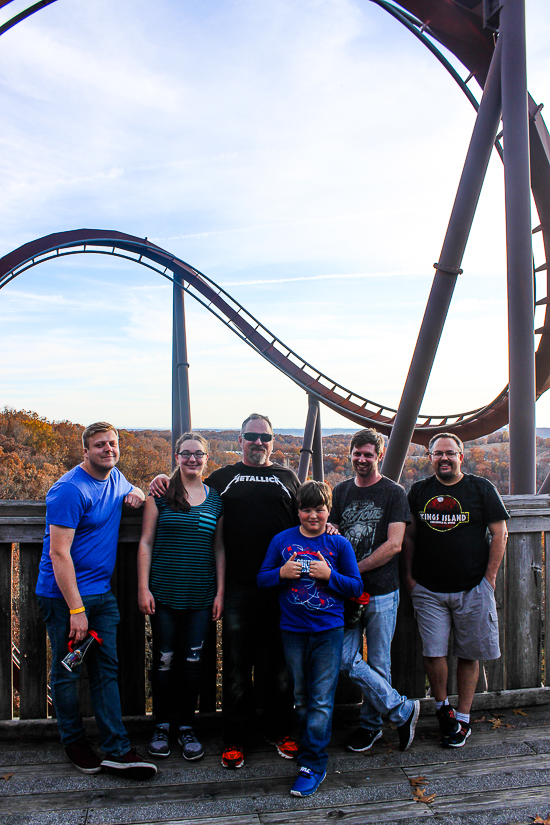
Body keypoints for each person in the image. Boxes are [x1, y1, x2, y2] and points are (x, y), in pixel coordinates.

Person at [150, 413, 300, 769]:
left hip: (280, 585)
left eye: (265, 437)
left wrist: (333, 526)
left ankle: (279, 729)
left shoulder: (288, 477)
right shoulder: (221, 478)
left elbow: (310, 515)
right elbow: (187, 485)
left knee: (278, 664)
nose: (258, 443)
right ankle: (235, 736)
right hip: (236, 586)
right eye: (251, 436)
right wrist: (156, 480)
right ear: (241, 439)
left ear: (273, 441)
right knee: (235, 666)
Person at [35, 422, 157, 779]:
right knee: (67, 673)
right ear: (85, 451)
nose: (108, 449)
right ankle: (74, 742)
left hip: (102, 597)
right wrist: (76, 610)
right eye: (100, 445)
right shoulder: (69, 490)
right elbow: (59, 554)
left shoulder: (115, 477)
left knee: (106, 671)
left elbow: (127, 486)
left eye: (113, 444)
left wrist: (135, 490)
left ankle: (118, 750)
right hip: (65, 599)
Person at [403, 433, 509, 748]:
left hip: (473, 588)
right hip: (429, 589)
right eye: (438, 454)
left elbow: (500, 532)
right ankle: (442, 708)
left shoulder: (481, 488)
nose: (444, 458)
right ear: (430, 457)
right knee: (433, 652)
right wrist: (409, 579)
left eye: (450, 453)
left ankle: (462, 717)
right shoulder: (419, 491)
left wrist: (489, 579)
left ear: (461, 456)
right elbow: (409, 536)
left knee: (469, 653)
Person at [257, 481, 362, 797]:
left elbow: (356, 586)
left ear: (329, 511)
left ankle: (314, 762)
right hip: (293, 631)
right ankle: (306, 749)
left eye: (319, 509)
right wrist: (282, 574)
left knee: (320, 698)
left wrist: (330, 576)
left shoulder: (338, 544)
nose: (313, 515)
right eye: (306, 509)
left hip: (328, 631)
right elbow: (262, 579)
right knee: (301, 695)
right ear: (297, 511)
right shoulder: (281, 541)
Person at [330, 428, 420, 753]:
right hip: (347, 594)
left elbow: (394, 545)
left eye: (369, 454)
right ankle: (402, 709)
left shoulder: (394, 493)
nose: (362, 459)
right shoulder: (340, 491)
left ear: (379, 455)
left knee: (380, 662)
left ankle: (371, 727)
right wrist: (329, 529)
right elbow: (335, 530)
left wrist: (355, 569)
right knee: (342, 658)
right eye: (358, 453)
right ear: (350, 454)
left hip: (382, 592)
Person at [137, 432, 225, 761]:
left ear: (206, 458)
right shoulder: (160, 494)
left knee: (193, 663)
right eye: (186, 454)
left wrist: (220, 592)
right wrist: (142, 588)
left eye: (198, 454)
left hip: (201, 595)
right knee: (163, 661)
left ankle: (186, 727)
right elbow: (145, 542)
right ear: (176, 457)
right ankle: (162, 725)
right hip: (163, 594)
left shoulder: (215, 499)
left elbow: (218, 548)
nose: (192, 459)